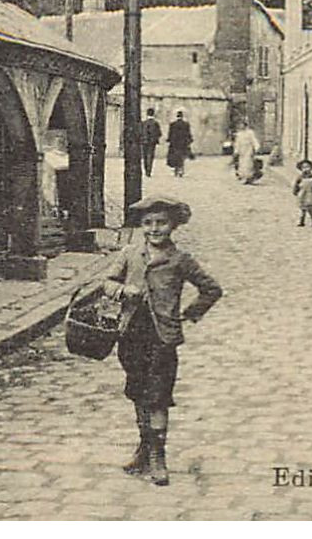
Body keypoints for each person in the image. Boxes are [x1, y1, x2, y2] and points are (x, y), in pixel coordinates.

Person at [102, 194, 223, 486]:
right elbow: (107, 283)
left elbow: (212, 289)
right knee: (137, 391)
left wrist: (189, 314)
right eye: (148, 223)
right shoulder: (130, 253)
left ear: (174, 226)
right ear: (141, 225)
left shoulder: (180, 260)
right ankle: (143, 449)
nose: (155, 229)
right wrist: (122, 291)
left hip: (162, 338)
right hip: (131, 335)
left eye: (162, 223)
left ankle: (158, 456)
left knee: (158, 397)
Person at [292, 159, 312, 228]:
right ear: (301, 169)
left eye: (307, 167)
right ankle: (301, 221)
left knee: (311, 208)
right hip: (302, 195)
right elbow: (296, 185)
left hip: (311, 194)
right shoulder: (300, 177)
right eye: (304, 167)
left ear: (311, 168)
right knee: (302, 208)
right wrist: (295, 191)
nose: (306, 169)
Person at [165, 112, 194, 179]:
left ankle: (176, 169)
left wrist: (169, 140)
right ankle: (181, 169)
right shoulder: (186, 124)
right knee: (181, 156)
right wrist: (190, 140)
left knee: (175, 156)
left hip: (175, 143)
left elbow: (170, 134)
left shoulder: (172, 124)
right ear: (182, 116)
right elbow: (188, 134)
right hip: (183, 143)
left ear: (177, 116)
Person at [139, 108, 162, 177]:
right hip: (152, 142)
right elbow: (159, 133)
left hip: (144, 141)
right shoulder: (156, 123)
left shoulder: (143, 123)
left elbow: (140, 132)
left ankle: (146, 169)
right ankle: (149, 170)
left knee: (145, 156)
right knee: (150, 156)